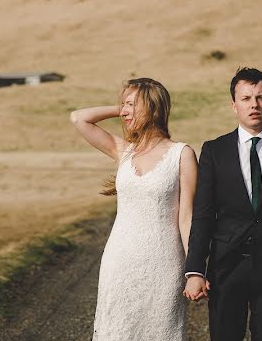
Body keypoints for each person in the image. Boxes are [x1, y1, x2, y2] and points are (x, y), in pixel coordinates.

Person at [184, 67, 262, 341]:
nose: (254, 104)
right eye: (246, 98)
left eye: (261, 97)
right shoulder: (214, 151)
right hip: (225, 269)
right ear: (234, 105)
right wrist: (195, 269)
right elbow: (203, 215)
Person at [70, 78, 198, 341]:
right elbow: (78, 118)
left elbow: (187, 218)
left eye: (132, 105)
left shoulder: (181, 155)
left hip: (163, 265)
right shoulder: (124, 151)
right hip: (119, 262)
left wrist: (195, 271)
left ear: (153, 108)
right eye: (123, 105)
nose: (124, 111)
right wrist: (123, 108)